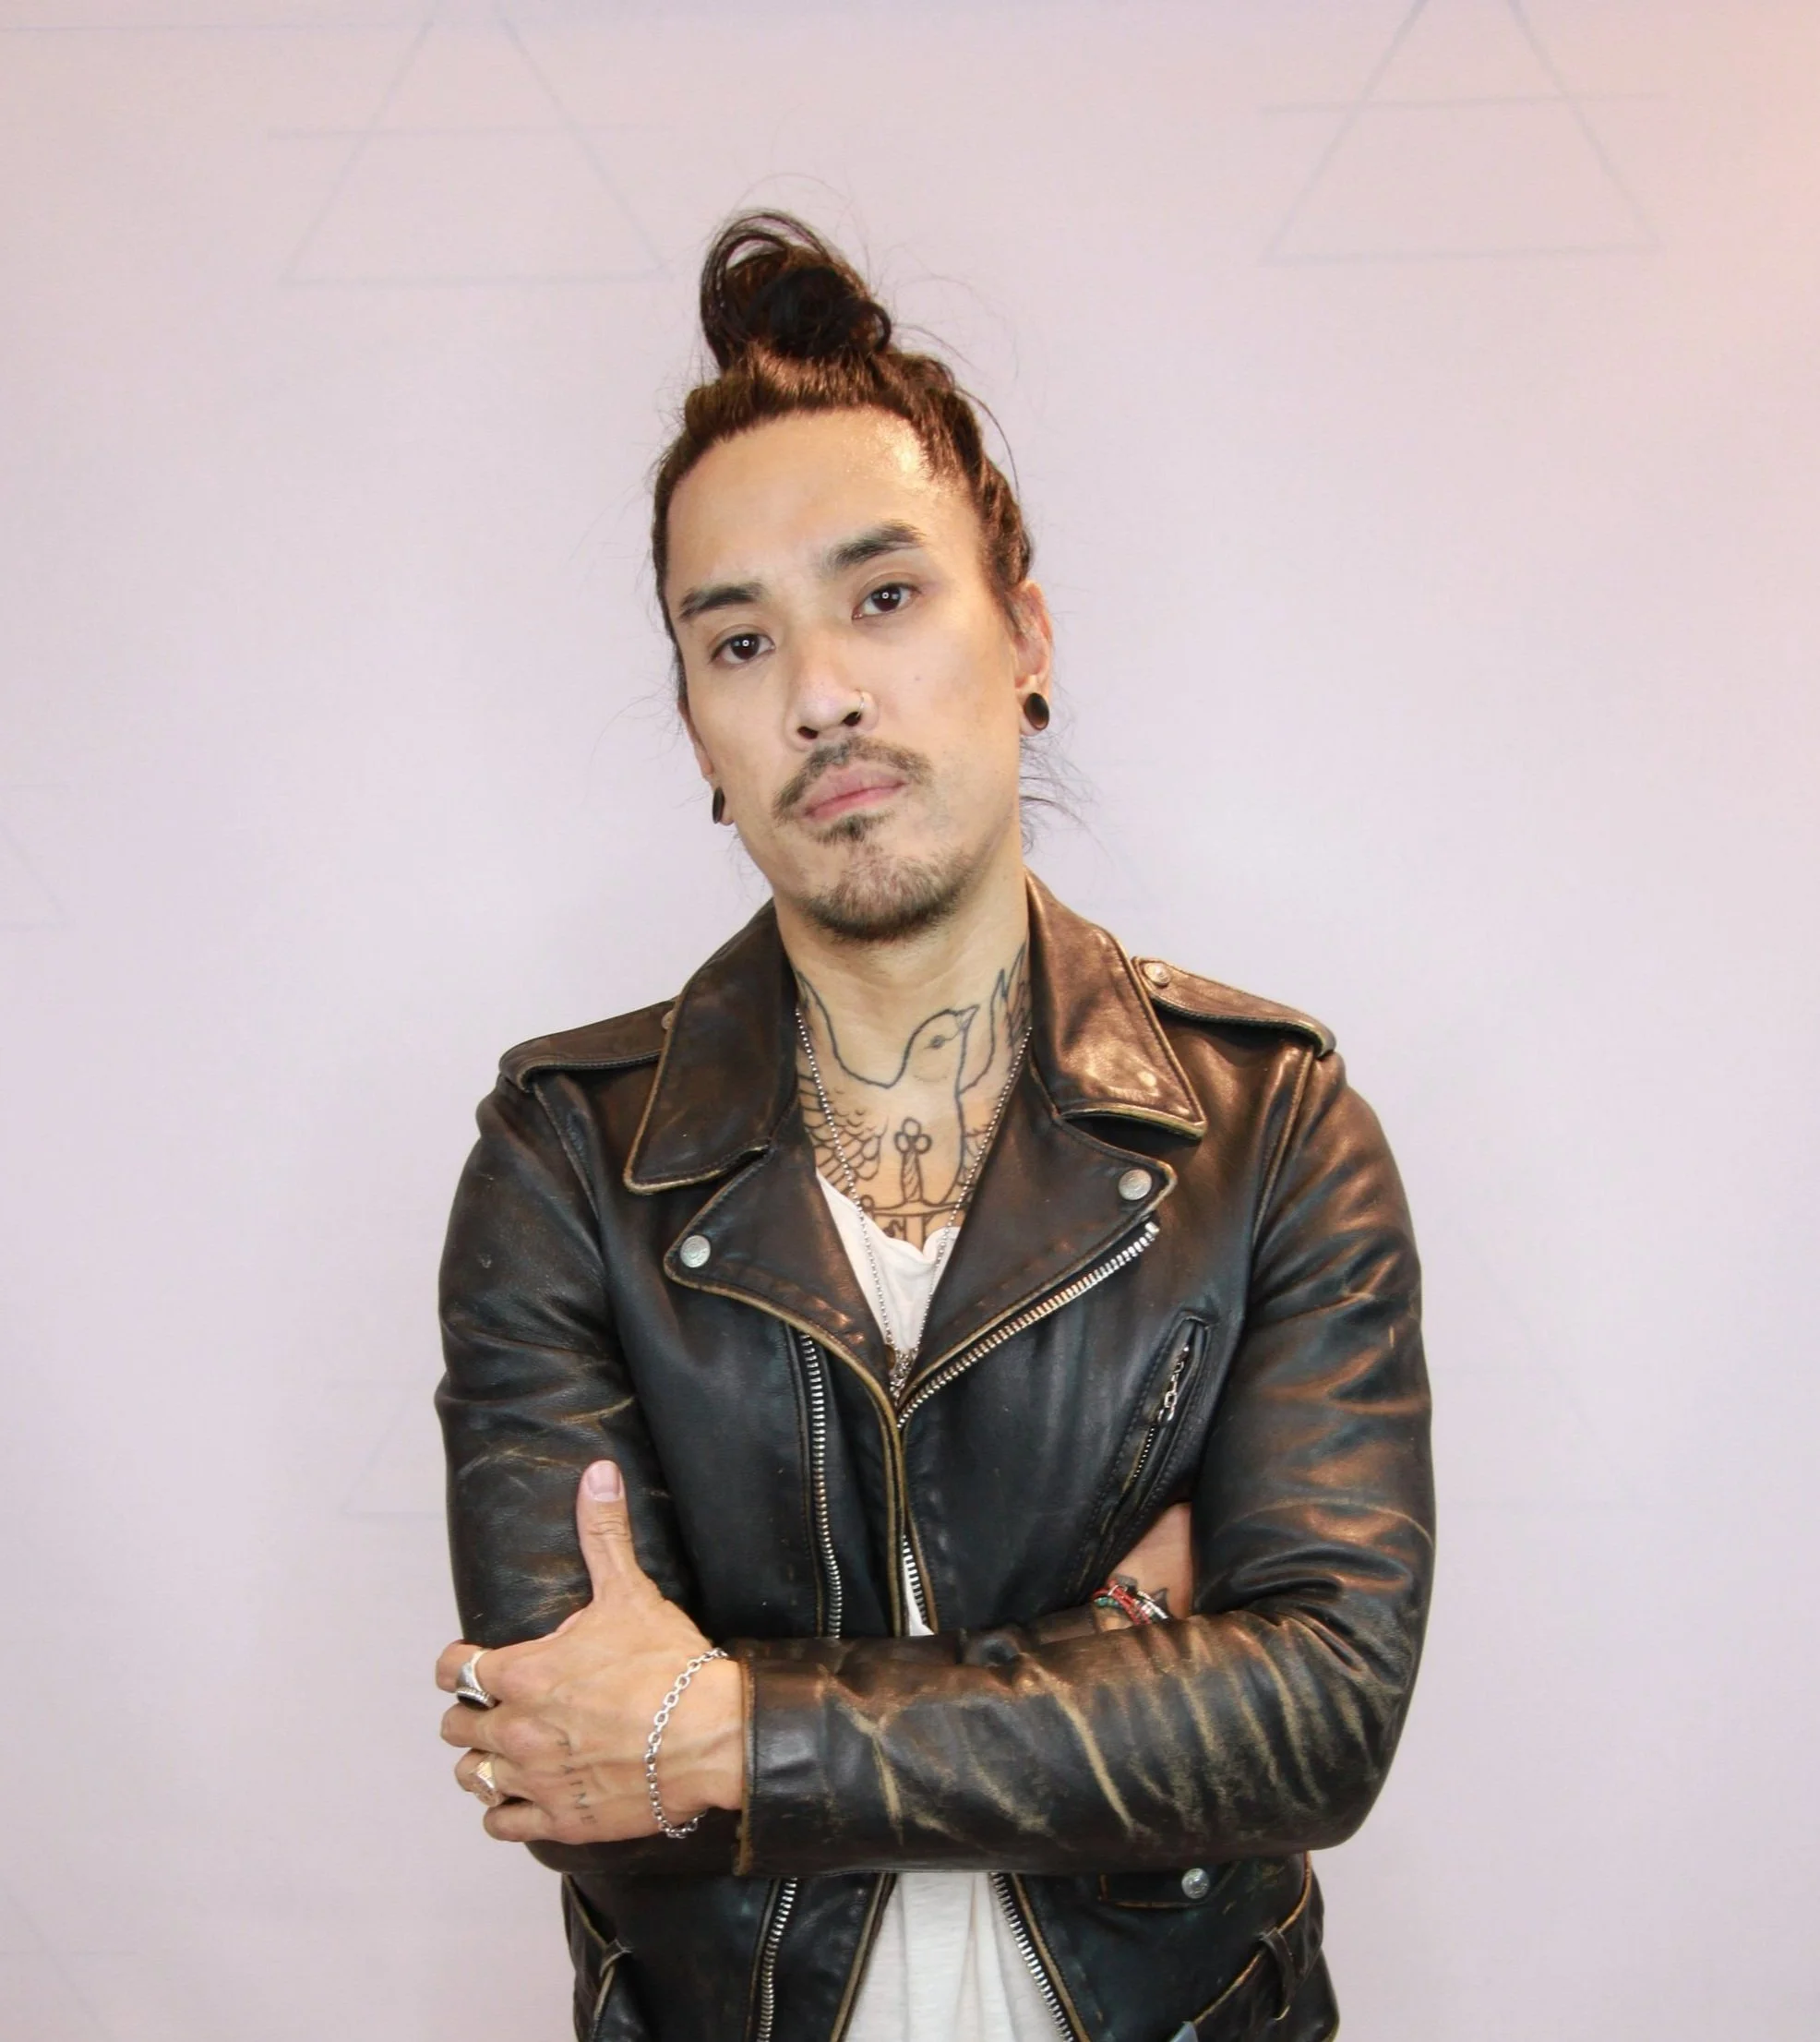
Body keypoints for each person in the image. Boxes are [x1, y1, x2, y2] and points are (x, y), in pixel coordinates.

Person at [433, 213, 1432, 2042]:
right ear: (700, 732)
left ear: (1025, 635)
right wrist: (1119, 1672)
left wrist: (731, 1721)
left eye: (883, 596)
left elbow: (1315, 1718)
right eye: (740, 639)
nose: (820, 692)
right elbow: (577, 1753)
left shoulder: (1268, 1129)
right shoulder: (568, 1162)